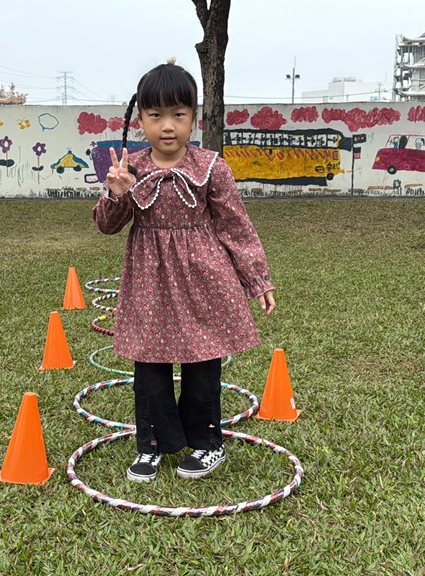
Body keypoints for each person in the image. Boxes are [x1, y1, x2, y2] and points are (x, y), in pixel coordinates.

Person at [92, 58, 276, 482]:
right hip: (150, 283)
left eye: (178, 114)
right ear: (141, 120)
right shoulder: (130, 169)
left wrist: (257, 279)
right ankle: (152, 445)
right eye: (156, 115)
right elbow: (107, 225)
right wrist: (116, 193)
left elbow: (235, 227)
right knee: (149, 367)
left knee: (203, 365)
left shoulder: (211, 167)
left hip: (204, 279)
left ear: (194, 117)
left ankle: (208, 444)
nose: (167, 126)